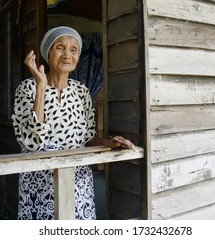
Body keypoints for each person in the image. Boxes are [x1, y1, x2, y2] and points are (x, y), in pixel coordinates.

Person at [11, 26, 135, 220]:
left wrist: (108, 143)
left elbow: (87, 137)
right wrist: (41, 88)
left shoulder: (82, 91)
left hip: (78, 177)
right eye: (60, 48)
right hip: (40, 180)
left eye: (74, 49)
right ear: (48, 53)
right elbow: (32, 142)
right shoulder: (28, 88)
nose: (67, 55)